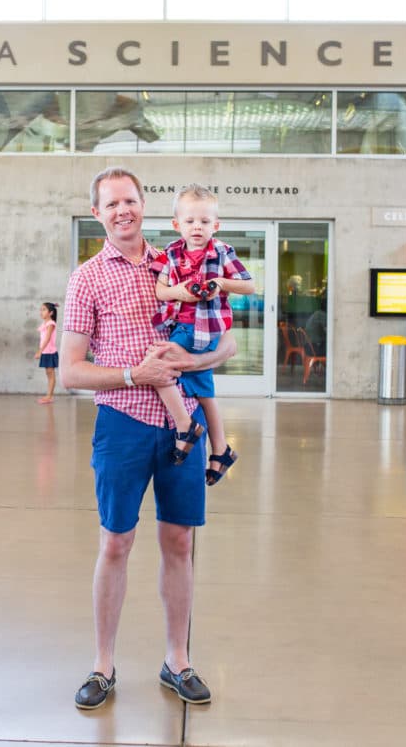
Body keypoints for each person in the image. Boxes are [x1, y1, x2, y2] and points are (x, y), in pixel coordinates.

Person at [61, 166, 237, 711]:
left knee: (180, 544)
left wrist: (197, 360)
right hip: (122, 424)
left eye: (130, 201)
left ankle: (177, 660)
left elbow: (228, 343)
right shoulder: (86, 278)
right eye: (111, 204)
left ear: (144, 205)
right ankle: (103, 664)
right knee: (116, 542)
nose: (122, 211)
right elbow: (70, 371)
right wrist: (136, 375)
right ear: (97, 213)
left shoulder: (178, 260)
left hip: (182, 423)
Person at [151, 184, 255, 485]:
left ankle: (186, 426)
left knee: (158, 364)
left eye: (205, 222)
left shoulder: (222, 252)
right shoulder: (171, 253)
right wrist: (180, 291)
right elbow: (160, 289)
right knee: (204, 392)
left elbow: (248, 285)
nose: (197, 227)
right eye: (190, 221)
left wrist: (221, 283)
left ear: (216, 225)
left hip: (204, 329)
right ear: (176, 224)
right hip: (180, 325)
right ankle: (220, 450)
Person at [35, 301, 58, 404]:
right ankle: (48, 395)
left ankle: (49, 396)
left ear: (51, 313)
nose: (41, 312)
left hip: (50, 352)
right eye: (41, 310)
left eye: (44, 310)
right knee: (48, 374)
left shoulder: (51, 324)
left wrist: (40, 351)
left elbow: (48, 338)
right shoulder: (44, 324)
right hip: (45, 352)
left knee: (51, 374)